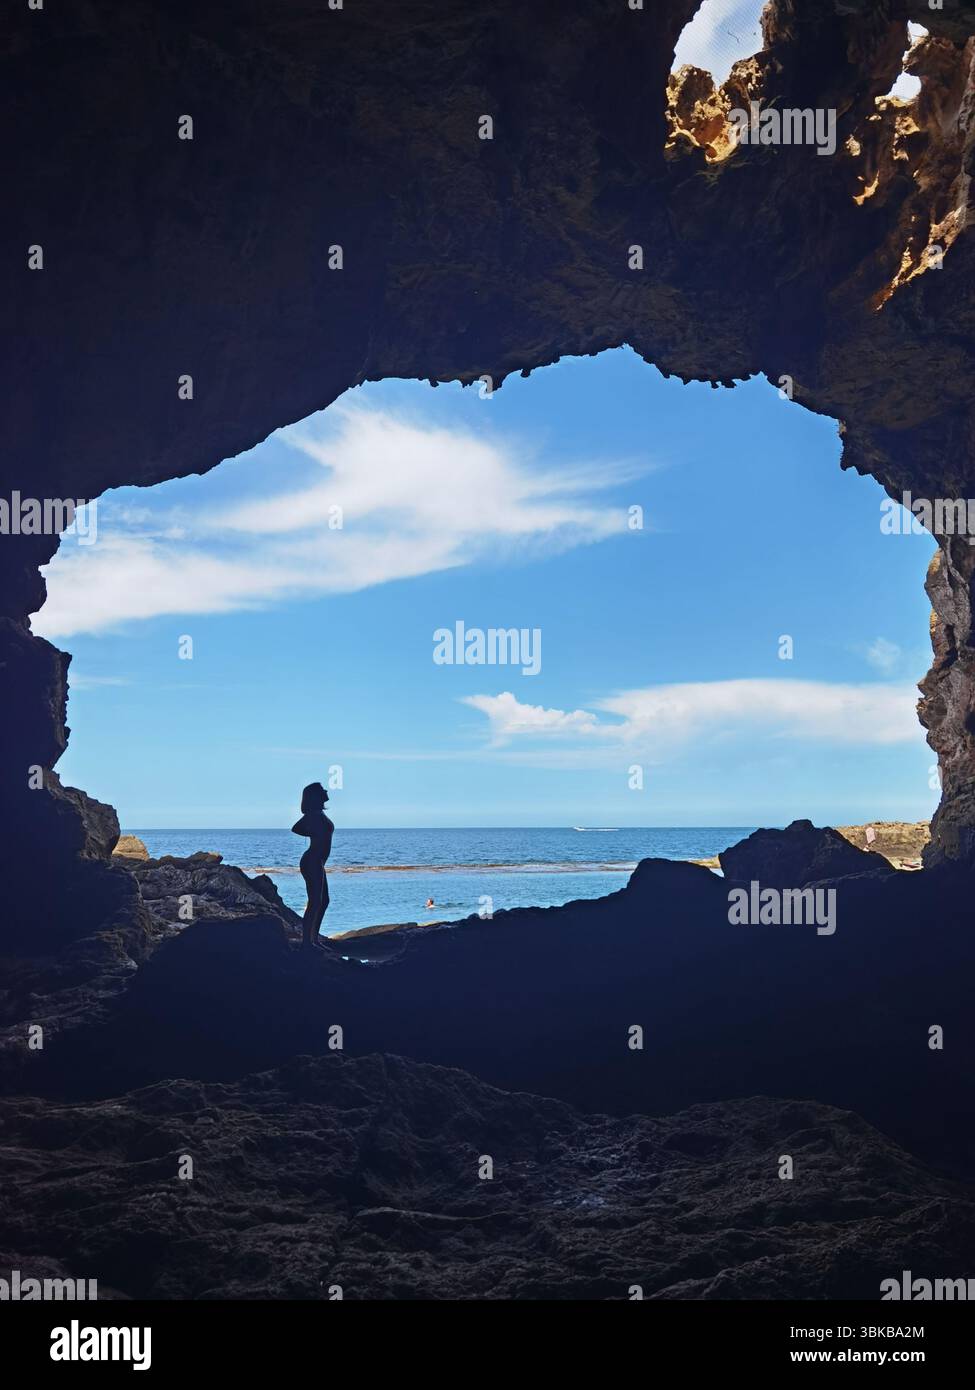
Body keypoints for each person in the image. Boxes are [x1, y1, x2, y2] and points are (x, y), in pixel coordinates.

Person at [291, 782, 334, 949]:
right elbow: (296, 828)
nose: (326, 790)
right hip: (312, 860)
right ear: (315, 795)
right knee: (315, 901)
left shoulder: (319, 813)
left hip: (318, 862)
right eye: (322, 789)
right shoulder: (313, 814)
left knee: (324, 901)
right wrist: (313, 832)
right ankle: (307, 942)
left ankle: (314, 939)